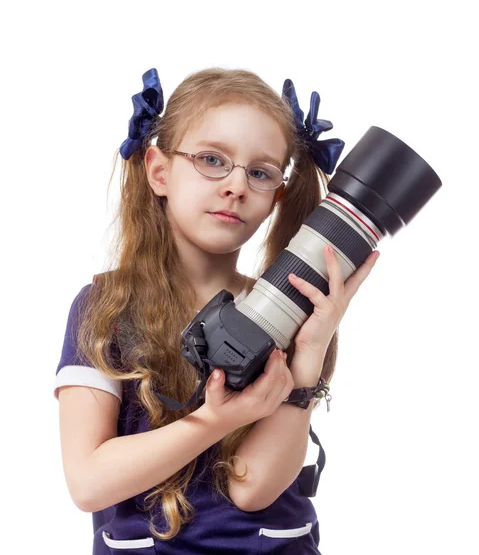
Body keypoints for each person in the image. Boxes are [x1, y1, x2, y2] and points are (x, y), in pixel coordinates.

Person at [54, 67, 379, 554]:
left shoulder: (291, 310)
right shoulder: (106, 309)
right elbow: (88, 483)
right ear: (159, 171)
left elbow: (253, 487)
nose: (236, 185)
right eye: (211, 160)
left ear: (275, 197)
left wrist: (310, 349)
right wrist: (217, 419)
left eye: (260, 172)